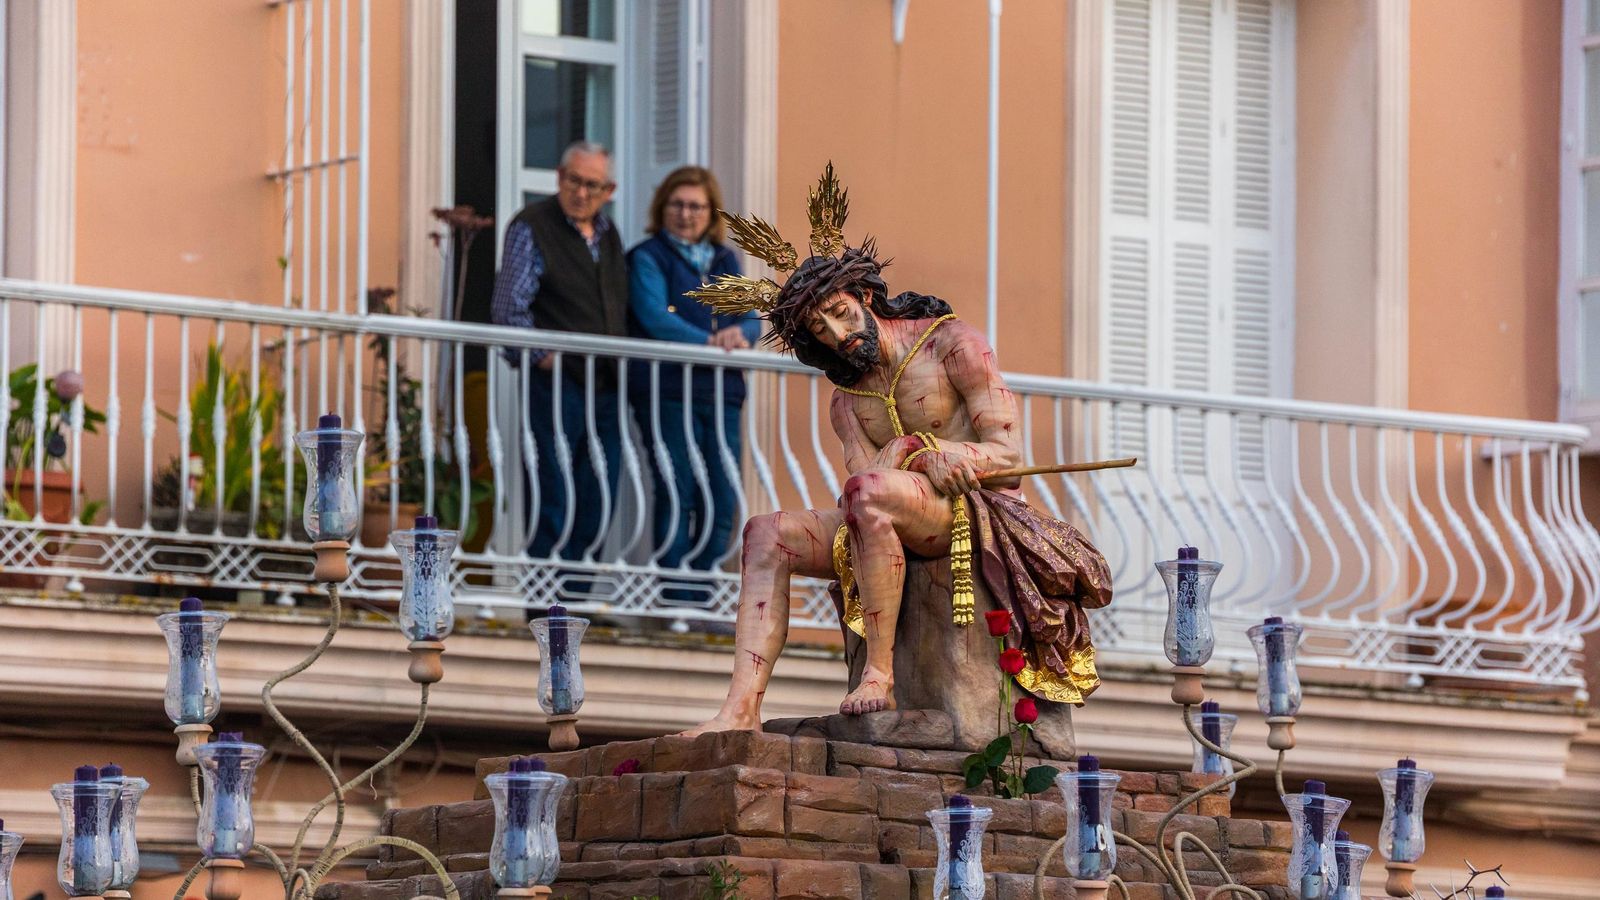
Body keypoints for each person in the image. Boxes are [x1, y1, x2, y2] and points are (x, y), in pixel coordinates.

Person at [681, 164, 1112, 735]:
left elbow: (1006, 455)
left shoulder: (954, 345)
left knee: (872, 495)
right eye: (820, 331)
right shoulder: (847, 401)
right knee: (765, 531)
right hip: (890, 511)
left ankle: (880, 672)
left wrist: (932, 452)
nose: (837, 335)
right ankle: (740, 709)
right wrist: (914, 451)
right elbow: (863, 489)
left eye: (838, 314)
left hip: (969, 511)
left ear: (864, 294)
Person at [490, 141, 627, 571]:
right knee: (554, 494)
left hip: (605, 386)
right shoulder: (531, 226)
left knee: (599, 495)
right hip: (556, 384)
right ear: (559, 178)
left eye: (592, 185)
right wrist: (545, 358)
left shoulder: (608, 234)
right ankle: (545, 608)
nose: (581, 192)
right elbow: (508, 311)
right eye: (574, 181)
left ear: (609, 190)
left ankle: (578, 606)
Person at [627, 167, 761, 601]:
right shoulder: (647, 256)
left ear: (710, 212)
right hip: (666, 391)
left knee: (721, 497)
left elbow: (752, 319)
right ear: (663, 208)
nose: (686, 214)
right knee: (677, 486)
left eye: (696, 206)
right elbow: (653, 317)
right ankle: (673, 597)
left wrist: (741, 334)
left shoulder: (724, 259)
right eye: (678, 204)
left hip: (720, 393)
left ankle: (697, 592)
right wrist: (710, 340)